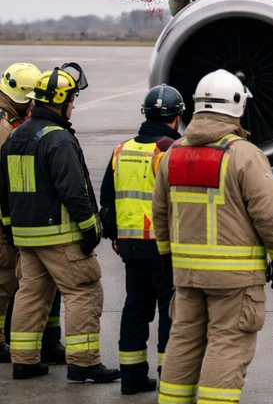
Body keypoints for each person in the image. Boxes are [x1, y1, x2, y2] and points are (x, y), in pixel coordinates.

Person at [153, 70, 273, 404]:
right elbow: (268, 214)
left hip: (186, 275)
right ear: (238, 105)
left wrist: (168, 254)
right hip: (235, 278)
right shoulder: (244, 155)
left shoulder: (173, 154)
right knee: (227, 345)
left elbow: (159, 211)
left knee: (183, 343)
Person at [0, 63, 119, 383]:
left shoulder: (15, 136)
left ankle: (24, 361)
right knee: (84, 291)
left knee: (30, 294)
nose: (74, 106)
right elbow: (74, 190)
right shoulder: (58, 139)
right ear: (61, 102)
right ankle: (84, 362)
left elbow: (3, 189)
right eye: (71, 100)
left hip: (25, 238)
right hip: (59, 236)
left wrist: (11, 228)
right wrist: (91, 227)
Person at [100, 84, 184, 395]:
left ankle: (132, 377)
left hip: (130, 246)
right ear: (176, 118)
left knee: (135, 308)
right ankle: (170, 376)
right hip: (163, 247)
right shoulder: (170, 151)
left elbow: (107, 200)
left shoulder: (121, 150)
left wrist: (116, 236)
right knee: (170, 311)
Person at [0, 63, 66, 367]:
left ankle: (34, 342)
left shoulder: (9, 121)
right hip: (14, 217)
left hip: (16, 216)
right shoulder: (4, 127)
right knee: (6, 283)